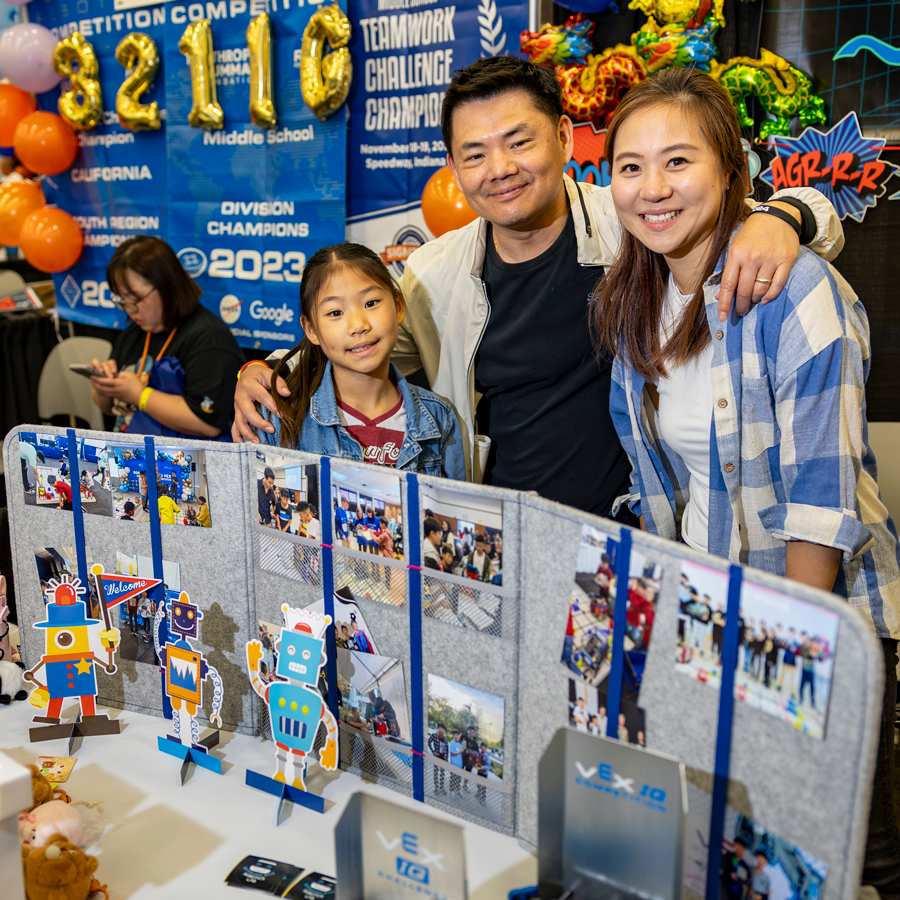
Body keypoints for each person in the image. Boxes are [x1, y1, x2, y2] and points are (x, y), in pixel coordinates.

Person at [233, 57, 842, 515]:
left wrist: (782, 216)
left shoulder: (631, 222)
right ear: (453, 167)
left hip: (627, 529)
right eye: (474, 154)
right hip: (489, 535)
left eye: (519, 142)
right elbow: (359, 346)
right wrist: (268, 371)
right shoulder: (435, 271)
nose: (498, 169)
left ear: (563, 137)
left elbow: (807, 223)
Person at [596, 67, 900, 898]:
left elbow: (821, 507)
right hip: (707, 613)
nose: (652, 189)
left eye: (678, 162)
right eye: (630, 166)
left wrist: (792, 668)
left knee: (843, 863)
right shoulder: (637, 296)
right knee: (739, 853)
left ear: (731, 170)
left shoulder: (794, 290)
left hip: (812, 620)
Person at [246, 243, 464, 480]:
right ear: (311, 329)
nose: (358, 325)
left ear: (398, 306)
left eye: (370, 303)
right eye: (335, 313)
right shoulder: (279, 418)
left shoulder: (439, 417)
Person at [89, 236, 244, 439]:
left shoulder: (209, 339)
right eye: (122, 300)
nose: (129, 310)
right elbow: (112, 410)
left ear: (166, 286)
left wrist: (140, 395)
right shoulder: (134, 333)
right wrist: (104, 388)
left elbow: (208, 423)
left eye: (135, 300)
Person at [428, 722, 449, 795]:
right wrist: (433, 751)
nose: (442, 730)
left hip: (443, 758)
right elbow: (428, 743)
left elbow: (447, 749)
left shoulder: (445, 739)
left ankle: (442, 788)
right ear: (438, 728)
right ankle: (436, 788)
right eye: (441, 728)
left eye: (443, 729)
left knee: (442, 773)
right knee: (436, 772)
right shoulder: (434, 736)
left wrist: (446, 759)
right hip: (437, 757)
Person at [448, 729, 464, 798]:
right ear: (454, 736)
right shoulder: (452, 742)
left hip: (460, 765)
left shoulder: (460, 745)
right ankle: (451, 791)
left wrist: (464, 747)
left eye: (458, 735)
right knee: (453, 778)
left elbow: (462, 753)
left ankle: (458, 790)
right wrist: (460, 751)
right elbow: (453, 753)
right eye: (455, 735)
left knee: (458, 779)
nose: (457, 736)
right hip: (454, 764)